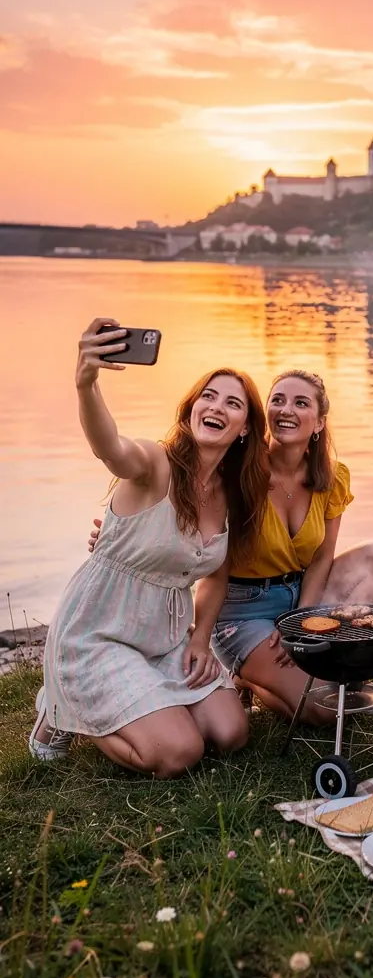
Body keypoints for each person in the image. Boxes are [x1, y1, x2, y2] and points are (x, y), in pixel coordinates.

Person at [29, 318, 270, 777]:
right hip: (99, 633)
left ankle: (140, 702)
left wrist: (201, 639)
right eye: (209, 396)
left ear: (243, 428)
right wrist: (86, 384)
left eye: (233, 403)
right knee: (179, 752)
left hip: (164, 639)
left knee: (231, 732)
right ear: (191, 409)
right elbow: (110, 448)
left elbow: (216, 574)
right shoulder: (154, 463)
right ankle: (60, 707)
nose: (217, 406)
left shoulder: (233, 492)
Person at [193, 369, 373, 725]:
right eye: (278, 400)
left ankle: (328, 669)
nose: (286, 410)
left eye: (300, 403)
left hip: (301, 596)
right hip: (243, 611)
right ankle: (248, 677)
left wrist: (300, 620)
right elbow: (183, 500)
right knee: (326, 709)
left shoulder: (332, 476)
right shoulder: (238, 471)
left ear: (319, 422)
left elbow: (323, 557)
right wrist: (123, 528)